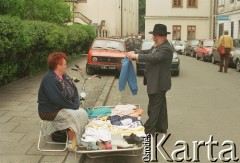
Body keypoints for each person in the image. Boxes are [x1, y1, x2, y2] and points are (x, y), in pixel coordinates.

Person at [127, 24, 174, 136]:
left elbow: (154, 58)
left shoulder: (166, 48)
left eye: (155, 36)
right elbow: (148, 52)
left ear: (162, 37)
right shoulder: (158, 45)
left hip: (159, 83)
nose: (153, 38)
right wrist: (135, 53)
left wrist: (136, 57)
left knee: (153, 107)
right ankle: (162, 127)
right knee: (160, 106)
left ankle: (148, 130)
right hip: (157, 81)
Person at [37, 52, 89, 149]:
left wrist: (76, 103)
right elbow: (57, 99)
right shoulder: (49, 79)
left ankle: (82, 137)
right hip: (49, 111)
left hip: (62, 107)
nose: (66, 66)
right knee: (71, 116)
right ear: (58, 66)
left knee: (83, 112)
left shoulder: (64, 76)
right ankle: (71, 142)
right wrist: (73, 106)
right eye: (64, 64)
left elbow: (74, 90)